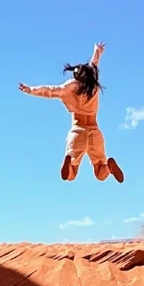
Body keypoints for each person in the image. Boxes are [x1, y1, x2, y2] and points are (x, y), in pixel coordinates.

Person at [19, 41, 125, 183]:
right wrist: (98, 50)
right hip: (95, 132)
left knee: (72, 175)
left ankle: (70, 162)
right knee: (100, 173)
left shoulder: (70, 87)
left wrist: (30, 90)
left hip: (77, 132)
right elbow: (94, 64)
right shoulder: (93, 85)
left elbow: (50, 91)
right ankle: (109, 168)